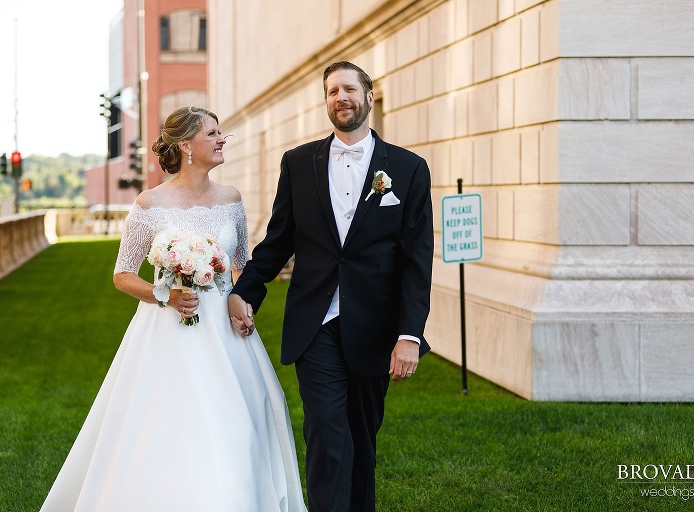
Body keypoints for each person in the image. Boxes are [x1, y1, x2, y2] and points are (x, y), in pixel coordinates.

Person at [40, 106, 307, 512]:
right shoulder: (150, 204)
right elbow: (122, 273)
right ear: (186, 145)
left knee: (236, 422)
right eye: (213, 133)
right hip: (166, 329)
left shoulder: (231, 200)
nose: (222, 140)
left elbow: (240, 264)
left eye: (221, 134)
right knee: (166, 424)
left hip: (223, 329)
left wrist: (240, 303)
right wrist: (164, 295)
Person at [229, 61, 434, 512]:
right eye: (331, 91)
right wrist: (243, 290)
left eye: (348, 89)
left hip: (376, 329)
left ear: (368, 97)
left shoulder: (408, 168)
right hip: (315, 323)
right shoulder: (299, 163)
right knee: (325, 435)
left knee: (362, 440)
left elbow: (417, 261)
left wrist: (409, 335)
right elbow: (278, 238)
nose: (340, 97)